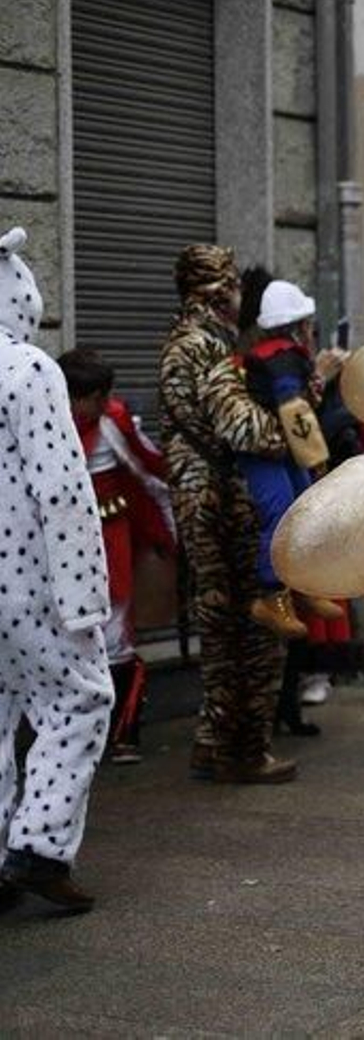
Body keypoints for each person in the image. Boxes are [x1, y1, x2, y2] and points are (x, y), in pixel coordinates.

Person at [0, 227, 114, 914]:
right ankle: (39, 846)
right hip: (26, 580)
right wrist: (85, 596)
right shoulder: (29, 370)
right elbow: (64, 490)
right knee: (81, 696)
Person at [158, 244, 295, 784]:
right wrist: (295, 424)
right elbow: (247, 431)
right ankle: (241, 750)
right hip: (221, 506)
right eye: (234, 285)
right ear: (218, 292)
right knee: (249, 633)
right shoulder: (208, 349)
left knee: (220, 627)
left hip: (204, 504)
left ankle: (215, 741)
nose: (241, 295)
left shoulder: (183, 342)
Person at [58, 349, 176, 765]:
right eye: (93, 397)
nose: (102, 405)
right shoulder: (43, 426)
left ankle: (124, 735)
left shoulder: (114, 423)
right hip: (59, 550)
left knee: (115, 640)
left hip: (112, 546)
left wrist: (171, 535)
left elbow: (152, 474)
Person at [236, 279, 345, 641]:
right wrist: (316, 459)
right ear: (300, 326)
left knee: (300, 508)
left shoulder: (279, 354)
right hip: (265, 453)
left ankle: (303, 584)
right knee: (280, 511)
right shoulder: (285, 357)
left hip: (281, 449)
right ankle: (272, 596)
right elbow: (294, 410)